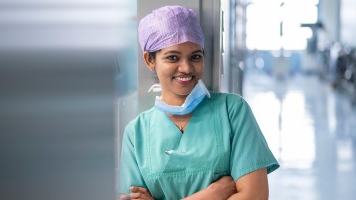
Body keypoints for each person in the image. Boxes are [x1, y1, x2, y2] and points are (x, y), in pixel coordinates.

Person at [118, 5, 279, 200]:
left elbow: (255, 196)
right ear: (150, 60)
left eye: (195, 56)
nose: (186, 68)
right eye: (172, 57)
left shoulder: (232, 111)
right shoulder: (136, 134)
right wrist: (213, 193)